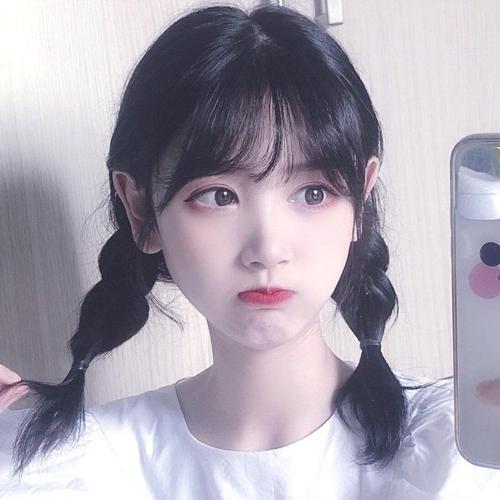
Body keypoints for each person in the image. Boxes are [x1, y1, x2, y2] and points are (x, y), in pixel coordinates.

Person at [1, 4, 499, 499]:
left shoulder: (455, 450)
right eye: (219, 196)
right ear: (140, 207)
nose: (268, 249)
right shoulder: (72, 470)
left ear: (361, 200)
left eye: (313, 192)